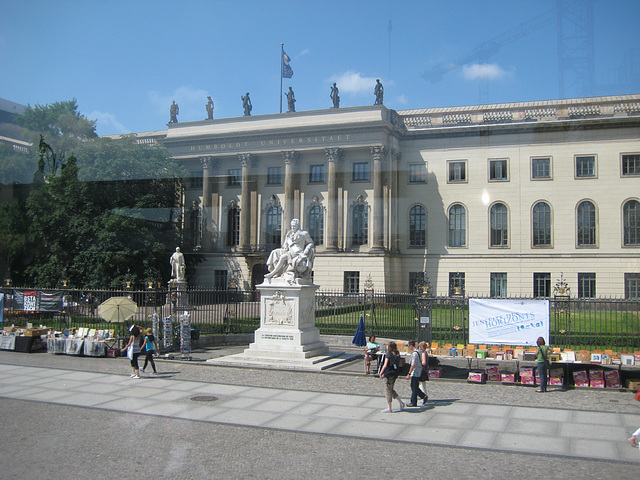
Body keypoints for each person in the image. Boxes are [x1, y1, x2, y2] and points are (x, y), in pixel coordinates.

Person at [378, 341, 405, 413]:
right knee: (391, 389)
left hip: (389, 373)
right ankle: (401, 402)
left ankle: (389, 407)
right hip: (395, 373)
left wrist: (381, 372)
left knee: (388, 390)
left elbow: (385, 365)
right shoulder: (397, 354)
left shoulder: (389, 354)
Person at [405, 340, 427, 406]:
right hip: (419, 371)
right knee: (414, 386)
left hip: (415, 372)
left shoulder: (414, 354)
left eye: (409, 346)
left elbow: (413, 365)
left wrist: (409, 373)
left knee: (414, 387)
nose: (408, 347)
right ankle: (422, 396)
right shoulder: (419, 351)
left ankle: (414, 401)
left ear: (411, 346)